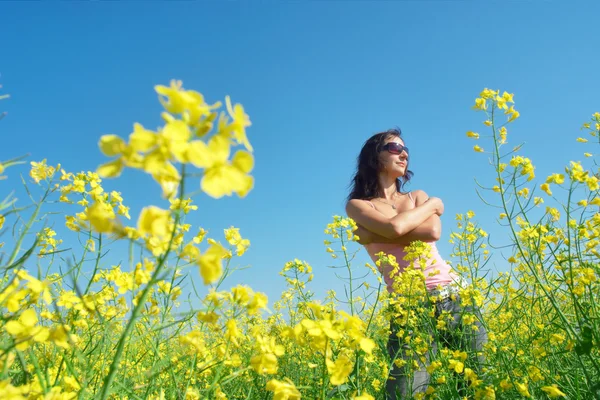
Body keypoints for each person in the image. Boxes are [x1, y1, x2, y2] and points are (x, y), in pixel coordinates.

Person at [345, 128, 487, 399]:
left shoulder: (417, 196)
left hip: (455, 296)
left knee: (475, 386)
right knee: (406, 391)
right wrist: (433, 205)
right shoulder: (358, 206)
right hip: (408, 306)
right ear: (375, 157)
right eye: (394, 148)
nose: (404, 153)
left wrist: (375, 233)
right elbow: (398, 228)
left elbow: (432, 232)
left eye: (405, 148)